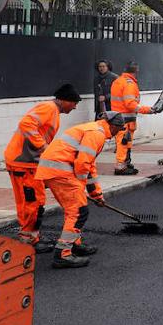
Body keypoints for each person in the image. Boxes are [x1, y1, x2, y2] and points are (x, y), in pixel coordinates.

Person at [34, 111, 129, 268]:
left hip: (55, 170)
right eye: (118, 129)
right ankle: (63, 254)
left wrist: (96, 193)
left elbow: (90, 166)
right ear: (113, 125)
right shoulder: (96, 134)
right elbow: (82, 164)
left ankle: (74, 244)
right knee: (79, 212)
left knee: (72, 210)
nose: (116, 133)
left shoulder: (94, 130)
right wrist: (80, 186)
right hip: (60, 171)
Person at [3, 84, 81, 251]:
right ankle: (28, 240)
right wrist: (44, 148)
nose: (75, 107)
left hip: (27, 162)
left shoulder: (53, 111)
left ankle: (30, 237)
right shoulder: (48, 107)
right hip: (23, 163)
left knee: (30, 202)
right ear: (63, 100)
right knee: (34, 203)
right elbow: (26, 124)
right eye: (74, 103)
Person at [110, 62, 153, 175]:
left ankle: (126, 163)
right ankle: (120, 167)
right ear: (136, 71)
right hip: (125, 119)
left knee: (124, 142)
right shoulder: (129, 84)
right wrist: (147, 110)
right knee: (123, 143)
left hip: (119, 118)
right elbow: (130, 104)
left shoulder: (118, 80)